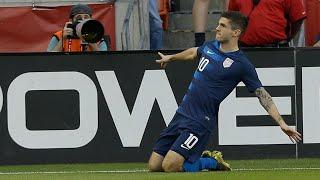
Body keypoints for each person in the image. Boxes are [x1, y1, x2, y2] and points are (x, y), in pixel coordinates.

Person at [148, 11, 302, 173]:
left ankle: (211, 162)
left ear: (236, 33)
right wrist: (171, 58)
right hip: (182, 114)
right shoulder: (210, 46)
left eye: (222, 26)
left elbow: (262, 95)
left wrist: (282, 123)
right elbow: (194, 52)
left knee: (170, 166)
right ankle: (203, 159)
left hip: (200, 121)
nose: (217, 28)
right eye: (218, 24)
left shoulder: (241, 64)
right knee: (154, 166)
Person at [227, 0, 306, 47]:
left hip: (277, 50)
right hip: (245, 49)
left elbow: (298, 18)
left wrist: (288, 38)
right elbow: (232, 18)